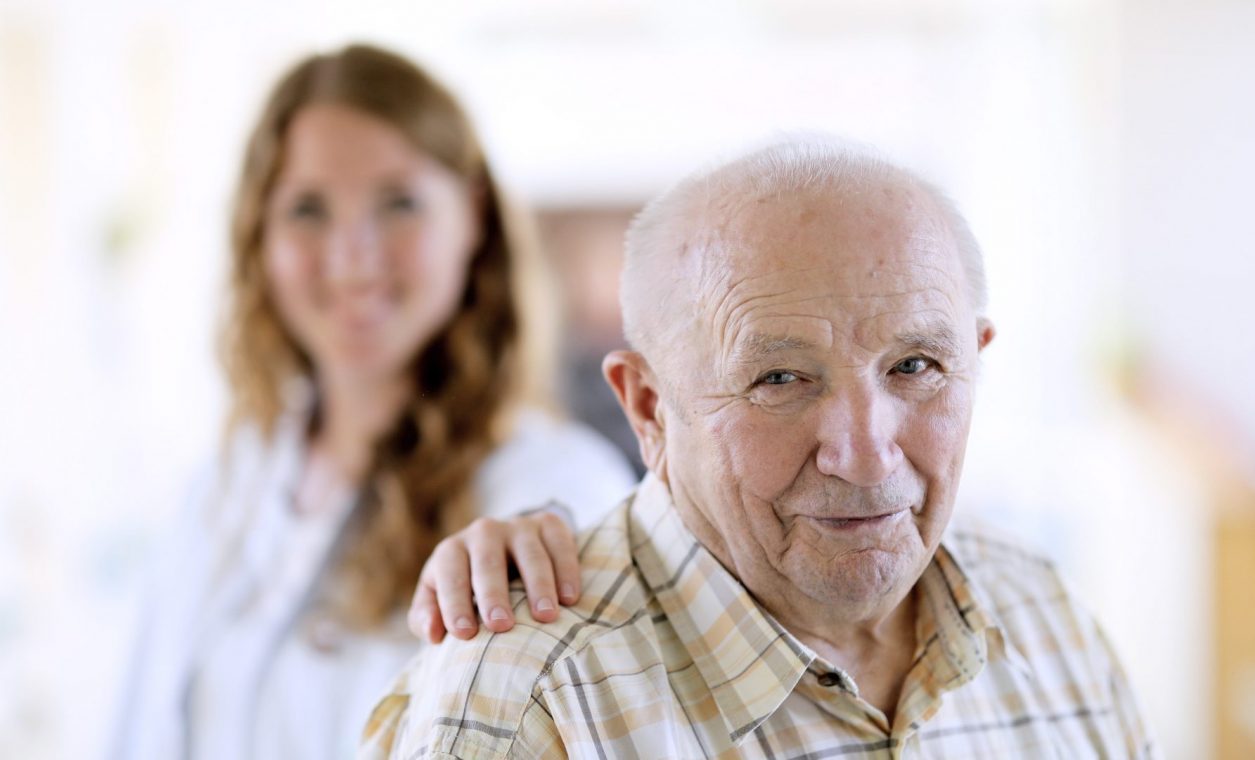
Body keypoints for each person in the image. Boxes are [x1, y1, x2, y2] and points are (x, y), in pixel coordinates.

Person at [363, 137, 1157, 758]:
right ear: (648, 406)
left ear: (976, 360)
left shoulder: (1043, 615)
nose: (867, 456)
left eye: (916, 367)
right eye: (779, 379)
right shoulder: (524, 708)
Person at [112, 44, 635, 760]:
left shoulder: (554, 491)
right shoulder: (224, 490)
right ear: (258, 237)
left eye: (398, 203)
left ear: (472, 219)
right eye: (307, 209)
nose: (353, 256)